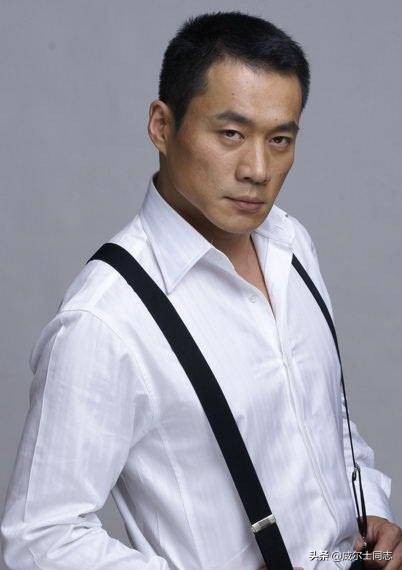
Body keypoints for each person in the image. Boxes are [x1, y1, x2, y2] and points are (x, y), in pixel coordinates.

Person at [1, 10, 401, 570]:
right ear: (162, 126)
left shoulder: (290, 244)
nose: (258, 169)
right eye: (231, 134)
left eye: (280, 139)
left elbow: (322, 414)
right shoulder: (105, 320)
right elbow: (40, 539)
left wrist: (370, 508)